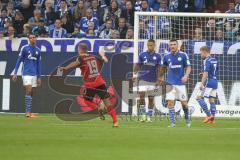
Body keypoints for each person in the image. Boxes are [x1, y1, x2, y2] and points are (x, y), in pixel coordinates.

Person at [59, 44, 118, 127]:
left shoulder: (81, 58)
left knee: (87, 100)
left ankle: (98, 106)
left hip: (90, 84)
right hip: (100, 82)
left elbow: (75, 63)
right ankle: (115, 122)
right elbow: (105, 61)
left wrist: (65, 68)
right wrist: (103, 56)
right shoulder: (93, 57)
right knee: (108, 103)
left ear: (80, 49)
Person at [158, 39, 191, 128]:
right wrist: (160, 76)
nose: (172, 46)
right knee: (170, 103)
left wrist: (186, 75)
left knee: (184, 104)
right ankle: (172, 123)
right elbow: (163, 67)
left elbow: (188, 66)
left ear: (177, 45)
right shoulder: (166, 56)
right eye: (171, 44)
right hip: (170, 83)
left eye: (174, 44)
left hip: (180, 84)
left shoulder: (183, 55)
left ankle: (187, 120)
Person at [12, 33, 41, 118]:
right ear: (29, 39)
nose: (33, 39)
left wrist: (39, 77)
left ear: (36, 39)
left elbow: (39, 64)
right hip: (26, 73)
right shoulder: (24, 48)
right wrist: (15, 73)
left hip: (34, 74)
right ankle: (27, 112)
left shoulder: (38, 50)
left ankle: (29, 112)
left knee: (31, 92)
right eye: (31, 37)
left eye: (34, 37)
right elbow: (19, 60)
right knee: (29, 90)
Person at [133, 39, 161, 122]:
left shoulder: (158, 56)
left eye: (151, 45)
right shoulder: (142, 54)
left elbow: (160, 68)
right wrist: (134, 74)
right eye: (148, 45)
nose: (149, 47)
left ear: (154, 45)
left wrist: (159, 79)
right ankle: (143, 115)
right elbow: (138, 65)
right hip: (142, 79)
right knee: (141, 96)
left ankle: (149, 116)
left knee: (151, 99)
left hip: (152, 80)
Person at [196, 46, 218, 124]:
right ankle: (213, 119)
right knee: (211, 100)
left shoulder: (206, 60)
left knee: (199, 98)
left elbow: (206, 73)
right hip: (215, 82)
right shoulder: (214, 59)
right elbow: (213, 71)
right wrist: (204, 73)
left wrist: (202, 83)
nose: (200, 54)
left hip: (208, 82)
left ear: (205, 52)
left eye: (201, 53)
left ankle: (208, 115)